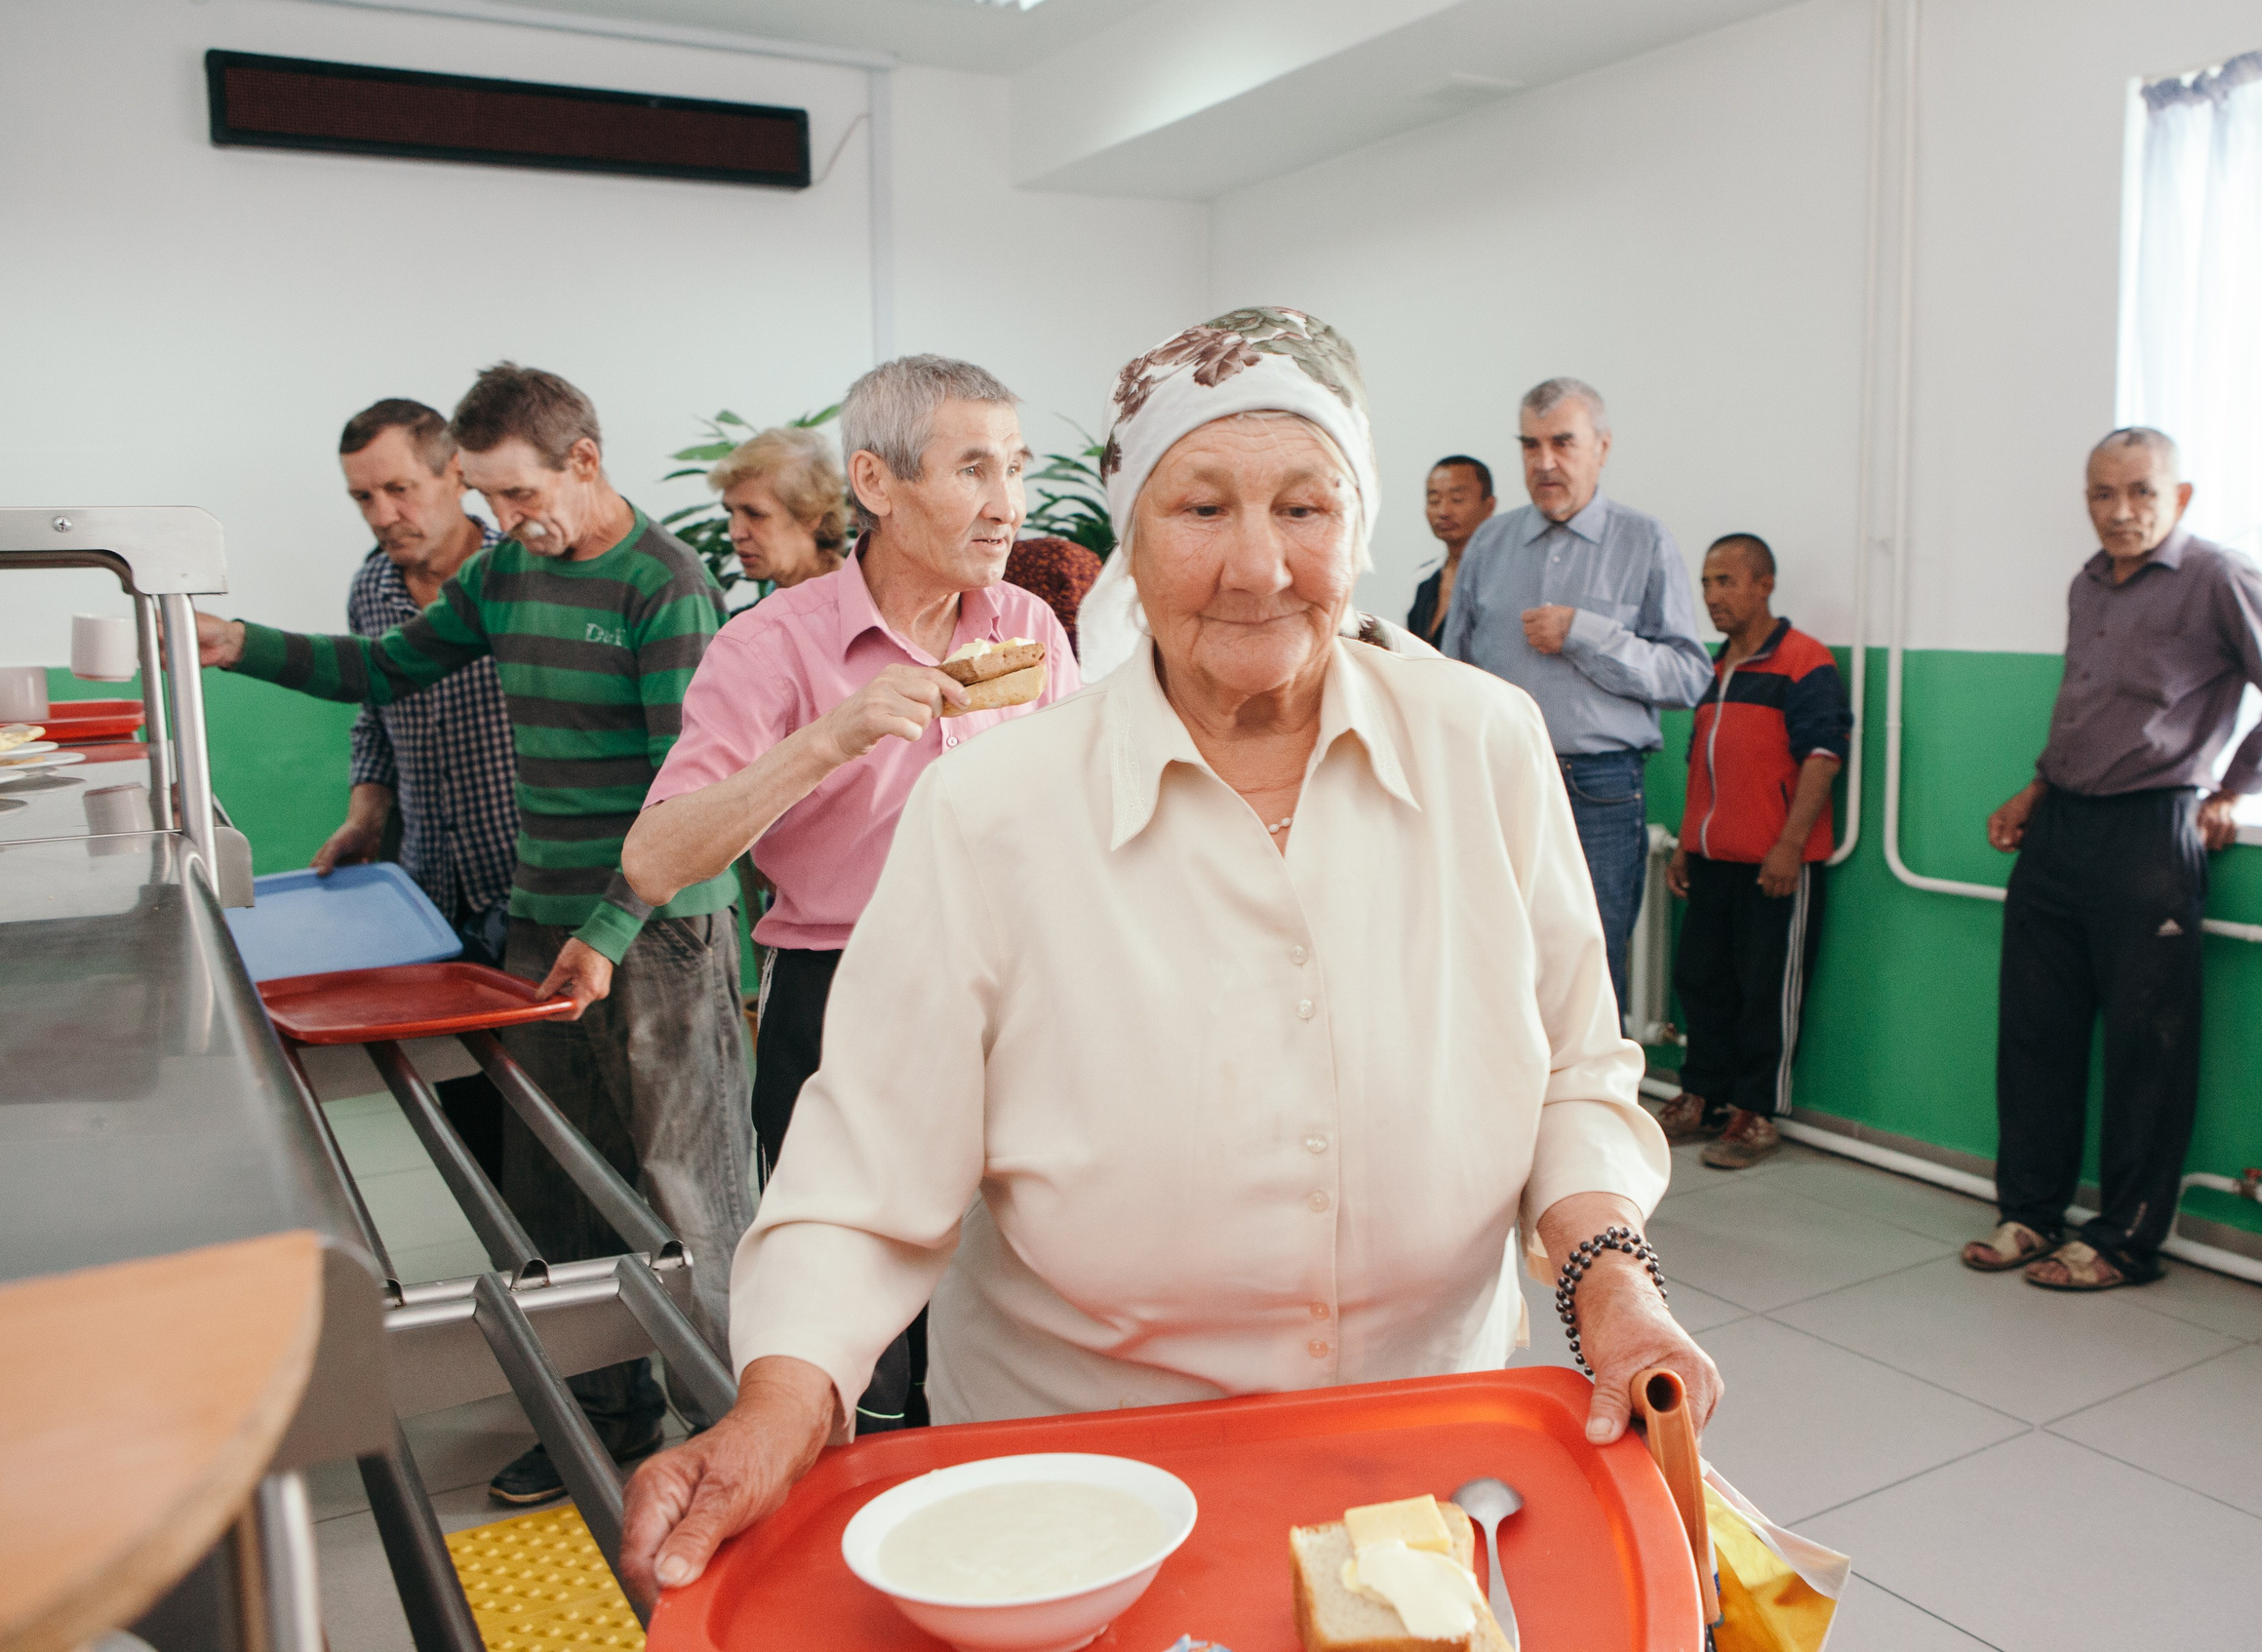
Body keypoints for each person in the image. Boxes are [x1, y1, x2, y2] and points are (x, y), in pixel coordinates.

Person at [615, 308, 1715, 1606]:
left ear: (1360, 530)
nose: (1258, 565)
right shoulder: (994, 809)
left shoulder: (1485, 743)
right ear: (1130, 539)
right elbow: (864, 1177)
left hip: (1433, 1448)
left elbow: (1576, 1069)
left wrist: (1609, 1279)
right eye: (1201, 508)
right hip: (1083, 1482)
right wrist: (786, 1397)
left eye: (1306, 507)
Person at [195, 364, 755, 1504]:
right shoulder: (507, 574)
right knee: (552, 1189)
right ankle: (602, 1417)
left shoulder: (667, 584)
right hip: (543, 923)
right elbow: (385, 669)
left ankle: (737, 1434)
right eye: (488, 501)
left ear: (584, 462)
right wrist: (233, 642)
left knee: (693, 1198)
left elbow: (684, 788)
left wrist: (608, 924)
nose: (502, 525)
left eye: (517, 496)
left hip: (658, 936)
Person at [623, 355, 1077, 1430]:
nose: (1007, 504)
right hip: (838, 995)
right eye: (973, 470)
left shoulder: (1027, 632)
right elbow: (655, 860)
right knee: (861, 1311)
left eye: (1015, 468)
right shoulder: (769, 648)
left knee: (1020, 1284)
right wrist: (827, 738)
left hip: (1018, 996)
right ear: (875, 483)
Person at [1966, 428, 2262, 1291]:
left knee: (2146, 1046)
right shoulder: (2089, 582)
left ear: (2179, 497)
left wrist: (2233, 788)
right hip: (2060, 826)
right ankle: (2030, 1212)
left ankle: (2124, 1236)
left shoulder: (2218, 578)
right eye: (2102, 494)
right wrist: (2036, 789)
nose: (2121, 512)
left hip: (2152, 830)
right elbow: (2085, 708)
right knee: (2034, 1029)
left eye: (2142, 493)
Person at [1446, 377, 1713, 1021]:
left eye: (1563, 442)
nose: (1545, 462)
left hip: (1598, 787)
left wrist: (1588, 634)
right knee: (1492, 954)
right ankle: (1510, 1119)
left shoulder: (1645, 543)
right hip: (1496, 781)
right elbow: (1453, 672)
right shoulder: (1489, 544)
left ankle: (1590, 1119)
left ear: (1601, 447)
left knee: (1589, 966)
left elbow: (1687, 676)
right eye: (1530, 445)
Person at [315, 398, 519, 1180]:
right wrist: (365, 813)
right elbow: (374, 715)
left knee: (556, 1105)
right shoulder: (371, 589)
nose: (382, 513)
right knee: (468, 1106)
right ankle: (511, 1275)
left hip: (528, 883)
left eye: (399, 488)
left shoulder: (520, 577)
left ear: (456, 474)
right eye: (363, 497)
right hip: (434, 889)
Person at [1658, 534, 1850, 1170]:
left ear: (1764, 584)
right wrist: (1688, 842)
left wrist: (1789, 846)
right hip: (1712, 859)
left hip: (1775, 865)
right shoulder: (1714, 668)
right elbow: (1700, 763)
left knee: (1767, 988)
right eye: (1707, 583)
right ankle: (1704, 1094)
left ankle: (1756, 1112)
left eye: (1726, 582)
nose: (1712, 596)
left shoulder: (1804, 661)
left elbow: (1822, 758)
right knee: (1701, 978)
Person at [713, 425, 849, 592]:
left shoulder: (856, 601)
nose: (735, 533)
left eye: (755, 514)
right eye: (730, 512)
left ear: (811, 516)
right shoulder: (782, 592)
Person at [1407, 453, 1498, 649]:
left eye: (1457, 499)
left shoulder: (1502, 577)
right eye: (1434, 500)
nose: (1443, 511)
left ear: (1489, 506)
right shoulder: (1423, 577)